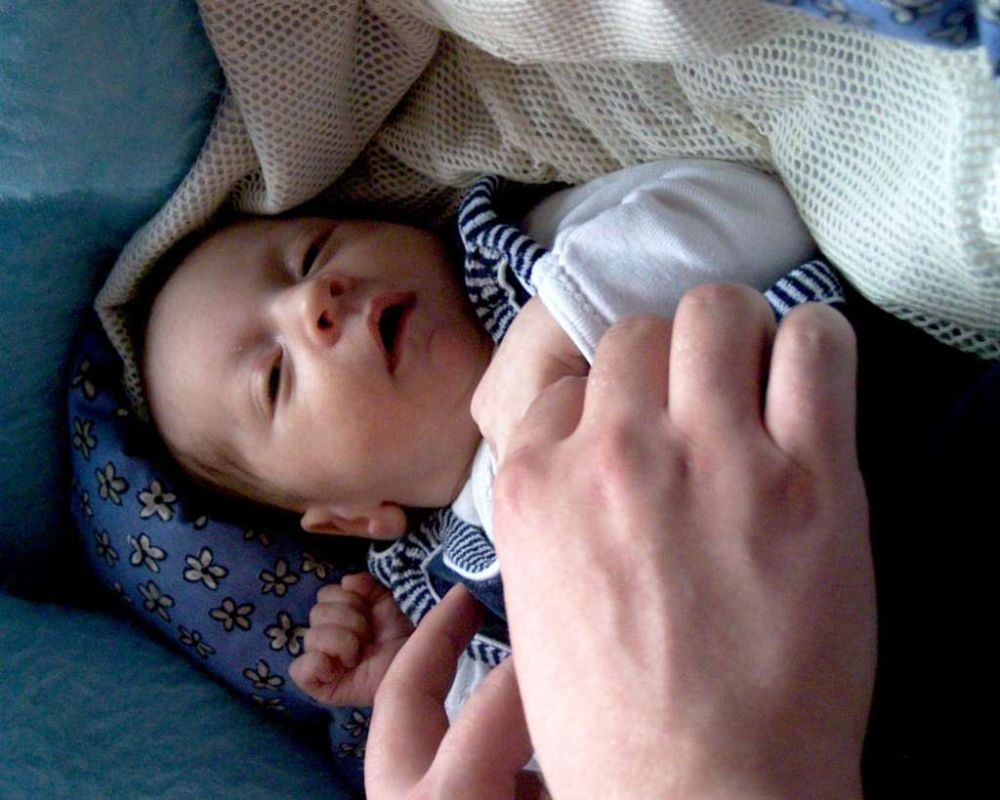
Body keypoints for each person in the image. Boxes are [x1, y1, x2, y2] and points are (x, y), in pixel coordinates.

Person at [142, 159, 835, 720]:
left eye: (310, 254)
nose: (310, 300)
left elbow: (762, 210)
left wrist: (555, 327)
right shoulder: (448, 595)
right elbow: (561, 751)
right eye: (274, 377)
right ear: (353, 516)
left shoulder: (533, 261)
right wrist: (430, 681)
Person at [361, 296, 876, 800]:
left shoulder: (510, 286)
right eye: (277, 380)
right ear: (346, 519)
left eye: (324, 255)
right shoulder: (418, 576)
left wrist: (571, 298)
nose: (320, 303)